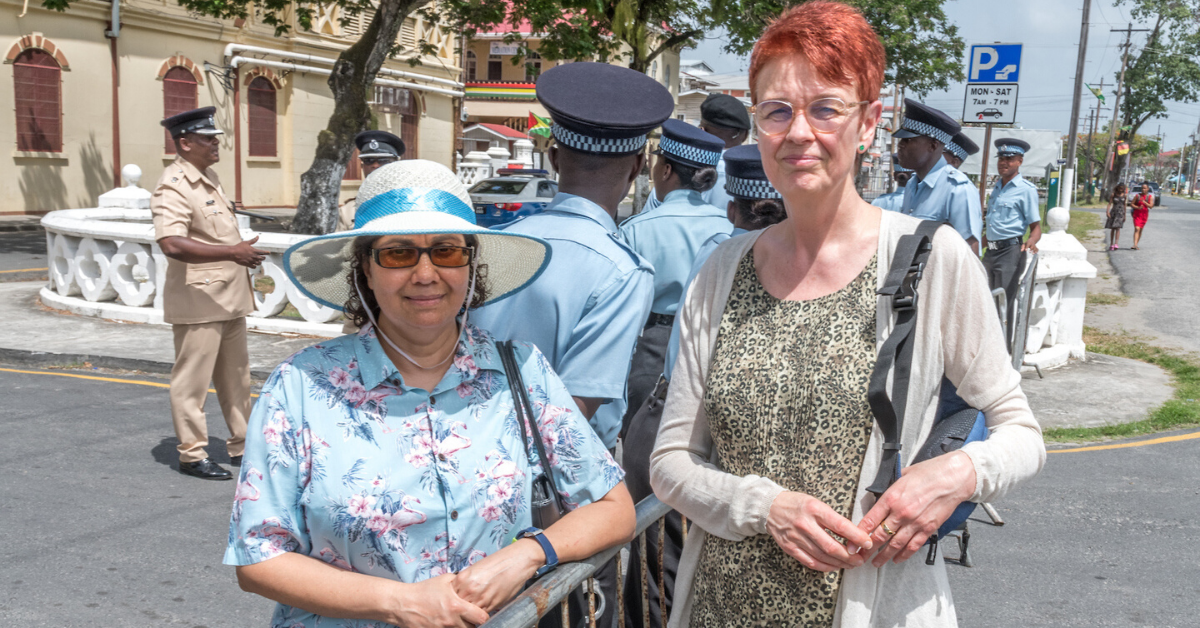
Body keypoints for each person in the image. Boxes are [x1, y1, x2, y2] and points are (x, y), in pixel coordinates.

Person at [649, 3, 1046, 627]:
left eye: (826, 108)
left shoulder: (931, 260)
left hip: (876, 606)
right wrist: (763, 506)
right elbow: (671, 463)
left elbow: (1021, 433)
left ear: (868, 123)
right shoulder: (720, 272)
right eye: (777, 110)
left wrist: (961, 472)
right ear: (757, 125)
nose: (799, 132)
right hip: (718, 608)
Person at [226, 160, 635, 628]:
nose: (426, 274)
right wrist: (400, 603)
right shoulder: (302, 384)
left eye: (445, 251)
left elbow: (613, 507)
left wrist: (528, 554)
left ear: (470, 263)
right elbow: (258, 556)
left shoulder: (520, 369)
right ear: (365, 267)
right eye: (400, 254)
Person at [471, 60, 671, 627]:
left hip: (470, 477)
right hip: (554, 500)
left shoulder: (495, 243)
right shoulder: (621, 269)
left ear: (553, 155)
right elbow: (576, 413)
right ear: (639, 165)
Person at [623, 143, 786, 628]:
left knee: (658, 561)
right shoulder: (808, 260)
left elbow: (681, 361)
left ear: (731, 204)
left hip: (685, 423)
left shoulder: (720, 255)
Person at [152, 106, 266, 481]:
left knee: (238, 378)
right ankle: (192, 453)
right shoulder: (174, 185)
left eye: (215, 136)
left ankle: (243, 445)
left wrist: (235, 248)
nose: (216, 143)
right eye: (207, 138)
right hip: (199, 300)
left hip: (229, 296)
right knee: (192, 382)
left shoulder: (207, 176)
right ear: (184, 143)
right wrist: (232, 252)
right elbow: (171, 242)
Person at [619, 119, 734, 430]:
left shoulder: (636, 230)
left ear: (666, 170)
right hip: (713, 345)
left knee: (641, 446)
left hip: (652, 346)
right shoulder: (729, 229)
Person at [893, 99, 983, 254]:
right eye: (901, 139)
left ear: (933, 145)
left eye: (908, 140)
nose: (900, 145)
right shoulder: (911, 185)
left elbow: (970, 250)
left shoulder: (958, 189)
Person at [643, 93, 751, 213]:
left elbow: (646, 220)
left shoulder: (677, 170)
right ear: (745, 135)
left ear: (701, 131)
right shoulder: (756, 178)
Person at [983, 137, 1041, 346]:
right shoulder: (997, 187)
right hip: (989, 252)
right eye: (1001, 158)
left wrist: (1031, 241)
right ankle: (987, 350)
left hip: (1010, 253)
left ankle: (1003, 356)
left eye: (1009, 158)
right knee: (985, 302)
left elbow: (1036, 227)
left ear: (1020, 161)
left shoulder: (1026, 189)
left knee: (1003, 305)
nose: (1003, 163)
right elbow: (993, 227)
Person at [336, 130, 405, 232]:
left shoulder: (411, 202)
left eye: (383, 160)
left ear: (396, 164)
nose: (375, 165)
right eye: (369, 160)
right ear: (362, 166)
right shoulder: (347, 211)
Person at [1130, 181, 1153, 250]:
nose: (1143, 189)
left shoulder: (1150, 197)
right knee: (1137, 228)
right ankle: (1135, 244)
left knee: (1140, 230)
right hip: (1137, 214)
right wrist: (1137, 207)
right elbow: (1132, 204)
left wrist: (1145, 202)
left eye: (1145, 188)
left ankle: (1136, 243)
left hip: (1144, 215)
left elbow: (1151, 206)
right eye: (1142, 188)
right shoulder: (1137, 196)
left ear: (1148, 189)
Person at [1105, 183, 1127, 251]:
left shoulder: (1124, 196)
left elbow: (1124, 205)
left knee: (1118, 228)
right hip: (1114, 212)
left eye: (1122, 188)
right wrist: (1107, 211)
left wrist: (1124, 215)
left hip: (1120, 213)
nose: (1121, 190)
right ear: (1117, 188)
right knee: (1113, 228)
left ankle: (1116, 243)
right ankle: (1111, 244)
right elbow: (1109, 203)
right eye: (1120, 188)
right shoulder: (1113, 195)